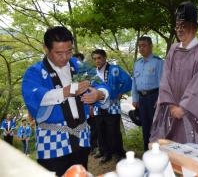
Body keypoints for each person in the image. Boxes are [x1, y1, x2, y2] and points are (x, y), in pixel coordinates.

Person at [22, 26, 110, 176]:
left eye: (69, 51)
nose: (65, 57)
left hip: (80, 135)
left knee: (80, 173)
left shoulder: (79, 66)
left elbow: (101, 85)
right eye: (59, 53)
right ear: (46, 48)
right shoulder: (35, 72)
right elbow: (35, 97)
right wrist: (66, 91)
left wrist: (99, 95)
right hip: (52, 139)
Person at [150, 1, 198, 144]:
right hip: (170, 111)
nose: (179, 30)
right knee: (168, 151)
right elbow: (165, 79)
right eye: (177, 26)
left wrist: (183, 107)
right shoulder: (173, 50)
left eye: (184, 26)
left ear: (195, 27)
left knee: (192, 152)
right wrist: (170, 105)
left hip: (193, 114)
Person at [91, 49, 132, 163]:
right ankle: (105, 152)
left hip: (112, 104)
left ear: (105, 58)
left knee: (114, 130)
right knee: (101, 130)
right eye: (94, 59)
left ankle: (118, 152)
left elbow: (128, 81)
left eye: (99, 58)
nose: (97, 61)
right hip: (97, 106)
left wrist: (120, 92)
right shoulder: (92, 73)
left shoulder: (115, 69)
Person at [132, 36, 163, 151]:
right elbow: (134, 82)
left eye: (144, 45)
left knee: (156, 127)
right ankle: (147, 152)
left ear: (150, 46)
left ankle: (158, 153)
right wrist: (135, 99)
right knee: (145, 127)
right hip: (142, 99)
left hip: (154, 98)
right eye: (139, 46)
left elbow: (163, 83)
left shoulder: (158, 62)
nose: (141, 48)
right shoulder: (137, 63)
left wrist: (160, 99)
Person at [73, 53, 98, 154]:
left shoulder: (88, 74)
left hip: (88, 105)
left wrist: (91, 107)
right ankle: (83, 147)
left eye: (79, 60)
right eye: (75, 60)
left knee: (92, 127)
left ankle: (93, 147)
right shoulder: (71, 74)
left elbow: (93, 90)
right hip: (76, 108)